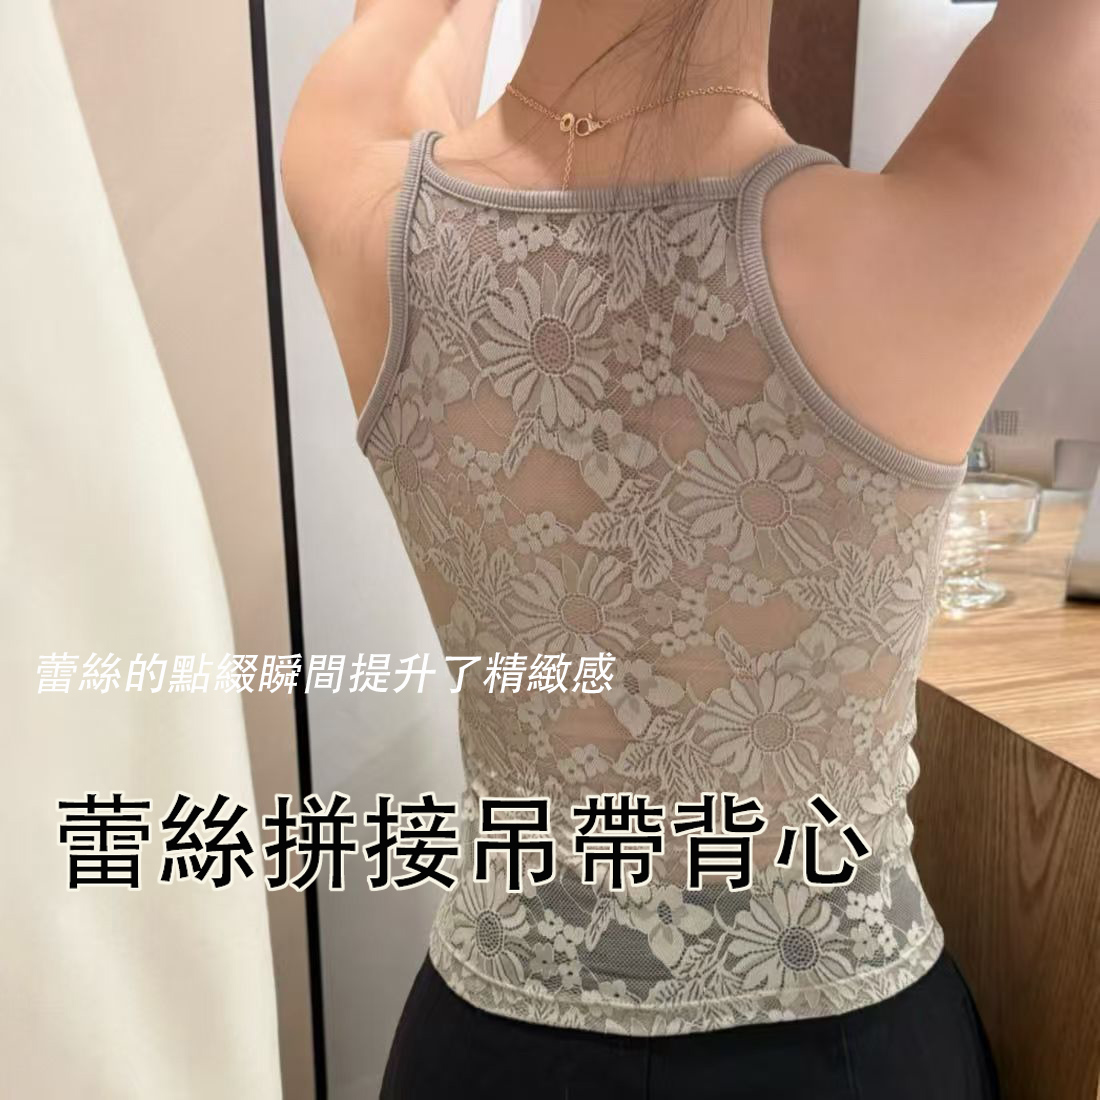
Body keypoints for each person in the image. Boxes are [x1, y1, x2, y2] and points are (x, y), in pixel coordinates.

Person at [281, 2, 1100, 1096]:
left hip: (485, 1049)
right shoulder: (938, 233)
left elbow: (409, 30)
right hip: (844, 1053)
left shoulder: (356, 191)